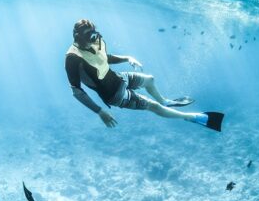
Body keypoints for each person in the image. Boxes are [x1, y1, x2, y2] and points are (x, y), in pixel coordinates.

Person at [65, 19, 224, 131]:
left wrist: (128, 57)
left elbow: (103, 58)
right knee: (153, 106)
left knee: (150, 80)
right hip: (115, 95)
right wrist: (100, 112)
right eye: (88, 36)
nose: (93, 39)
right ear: (78, 37)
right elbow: (76, 91)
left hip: (118, 78)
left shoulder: (91, 43)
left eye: (94, 34)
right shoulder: (72, 59)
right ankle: (191, 117)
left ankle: (165, 102)